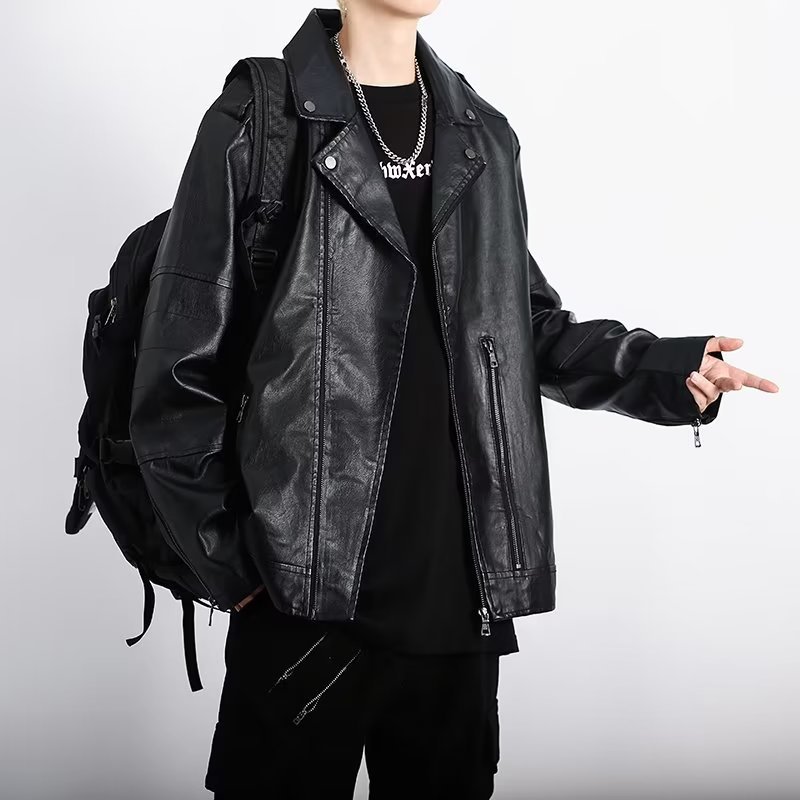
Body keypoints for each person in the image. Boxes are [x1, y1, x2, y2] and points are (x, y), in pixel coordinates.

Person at [127, 3, 780, 798]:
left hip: (459, 601)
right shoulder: (259, 118)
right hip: (301, 602)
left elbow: (521, 326)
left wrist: (662, 367)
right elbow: (175, 377)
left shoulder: (482, 135)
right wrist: (238, 571)